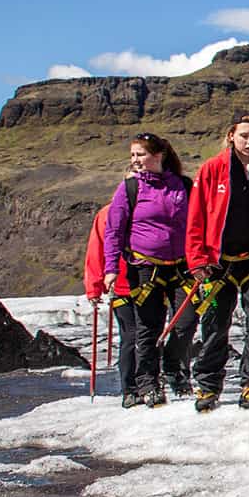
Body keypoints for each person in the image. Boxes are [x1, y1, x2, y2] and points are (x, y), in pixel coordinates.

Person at [185, 112, 249, 413]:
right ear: (231, 136)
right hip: (217, 263)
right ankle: (208, 385)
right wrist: (197, 260)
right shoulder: (212, 169)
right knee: (214, 325)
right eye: (244, 136)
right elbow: (196, 217)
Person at [99, 132, 192, 408]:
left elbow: (198, 223)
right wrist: (111, 268)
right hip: (144, 267)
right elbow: (114, 231)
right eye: (132, 155)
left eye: (140, 154)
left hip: (181, 266)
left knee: (186, 322)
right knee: (147, 328)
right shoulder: (129, 189)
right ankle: (148, 383)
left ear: (158, 155)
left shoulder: (184, 186)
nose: (135, 160)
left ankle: (174, 367)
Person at [82, 195, 137, 408]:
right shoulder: (107, 214)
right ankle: (130, 389)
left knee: (147, 335)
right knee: (132, 335)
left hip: (151, 282)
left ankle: (146, 383)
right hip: (120, 285)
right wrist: (94, 286)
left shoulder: (155, 209)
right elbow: (97, 250)